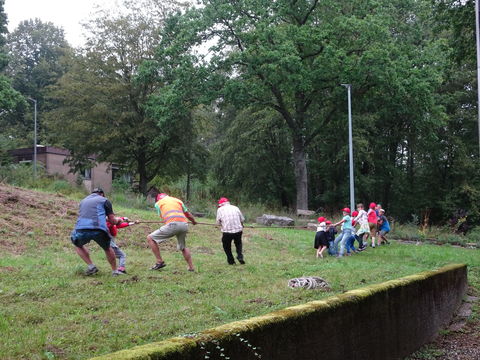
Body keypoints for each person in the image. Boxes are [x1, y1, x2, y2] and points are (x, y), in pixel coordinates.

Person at [70, 188, 122, 276]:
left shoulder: (83, 201)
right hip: (99, 229)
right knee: (107, 248)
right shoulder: (105, 200)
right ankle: (114, 271)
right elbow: (112, 221)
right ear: (102, 194)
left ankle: (91, 266)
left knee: (77, 245)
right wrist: (119, 220)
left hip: (82, 228)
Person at [147, 193, 197, 271]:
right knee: (183, 247)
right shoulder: (178, 200)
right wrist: (193, 221)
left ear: (159, 199)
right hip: (184, 225)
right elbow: (188, 214)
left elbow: (163, 216)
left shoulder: (158, 203)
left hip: (172, 225)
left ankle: (159, 262)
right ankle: (191, 267)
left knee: (150, 238)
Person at [216, 197, 246, 265]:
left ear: (221, 204)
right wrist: (242, 225)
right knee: (238, 243)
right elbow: (242, 219)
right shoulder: (235, 207)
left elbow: (218, 222)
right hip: (238, 230)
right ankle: (240, 256)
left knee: (226, 246)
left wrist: (219, 225)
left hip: (227, 232)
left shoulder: (220, 209)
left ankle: (231, 261)